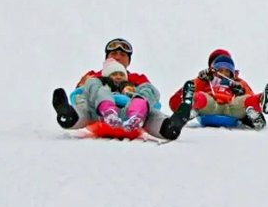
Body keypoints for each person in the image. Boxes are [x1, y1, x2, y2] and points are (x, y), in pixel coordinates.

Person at [51, 38, 194, 141]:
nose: (118, 57)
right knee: (87, 100)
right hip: (98, 113)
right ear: (107, 57)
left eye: (123, 55)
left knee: (149, 105)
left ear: (129, 60)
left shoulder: (138, 78)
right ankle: (69, 116)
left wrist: (137, 98)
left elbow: (151, 98)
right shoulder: (94, 76)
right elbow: (79, 96)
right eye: (114, 54)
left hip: (133, 115)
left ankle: (169, 127)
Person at [167, 50, 268, 130]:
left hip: (231, 107)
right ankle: (190, 109)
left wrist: (241, 92)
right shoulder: (204, 80)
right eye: (220, 69)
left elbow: (248, 98)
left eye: (227, 70)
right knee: (201, 96)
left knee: (246, 100)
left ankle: (262, 99)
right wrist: (201, 81)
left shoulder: (239, 82)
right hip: (212, 105)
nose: (223, 73)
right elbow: (175, 103)